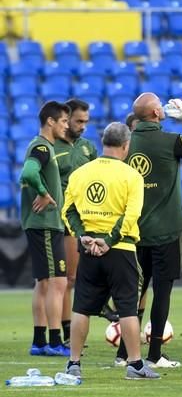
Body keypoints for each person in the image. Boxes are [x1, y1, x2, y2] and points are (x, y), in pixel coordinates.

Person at [115, 94, 182, 368]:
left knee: (133, 292)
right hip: (167, 231)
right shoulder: (172, 141)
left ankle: (124, 354)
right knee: (162, 292)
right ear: (157, 113)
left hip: (133, 231)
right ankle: (154, 354)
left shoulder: (124, 144)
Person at [62, 122, 159, 380]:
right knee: (127, 308)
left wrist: (83, 236)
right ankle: (135, 365)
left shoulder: (81, 173)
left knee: (81, 307)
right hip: (120, 249)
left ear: (103, 142)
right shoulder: (131, 176)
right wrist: (109, 239)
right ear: (126, 146)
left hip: (89, 250)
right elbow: (131, 215)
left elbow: (68, 211)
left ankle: (73, 363)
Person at [20, 101, 71, 357]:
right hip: (46, 224)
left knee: (43, 283)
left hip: (40, 225)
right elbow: (28, 173)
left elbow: (27, 174)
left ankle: (39, 341)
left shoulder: (42, 146)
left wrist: (40, 189)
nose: (66, 126)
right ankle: (54, 341)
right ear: (50, 121)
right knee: (57, 282)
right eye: (63, 121)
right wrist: (43, 192)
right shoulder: (41, 146)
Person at [52, 98, 97, 345]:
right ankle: (64, 331)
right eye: (79, 121)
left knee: (75, 278)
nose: (83, 126)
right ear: (65, 119)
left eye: (86, 122)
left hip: (85, 218)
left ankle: (69, 330)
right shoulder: (52, 146)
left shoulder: (88, 148)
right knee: (66, 279)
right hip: (60, 219)